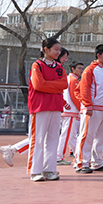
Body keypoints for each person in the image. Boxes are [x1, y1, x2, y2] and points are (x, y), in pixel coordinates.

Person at [25, 38, 68, 181]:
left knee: (53, 139)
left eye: (59, 49)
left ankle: (49, 169)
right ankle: (35, 171)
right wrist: (55, 86)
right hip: (40, 106)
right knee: (38, 139)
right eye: (56, 49)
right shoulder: (37, 65)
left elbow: (64, 84)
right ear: (46, 49)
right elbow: (38, 85)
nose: (58, 52)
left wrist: (47, 84)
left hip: (56, 106)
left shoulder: (59, 67)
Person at [75, 44, 103, 174]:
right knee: (87, 135)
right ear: (98, 55)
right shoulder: (90, 70)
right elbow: (83, 89)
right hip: (94, 108)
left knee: (102, 137)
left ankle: (97, 162)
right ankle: (82, 163)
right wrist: (87, 105)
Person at [57, 59, 83, 165]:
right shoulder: (74, 80)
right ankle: (59, 157)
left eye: (82, 68)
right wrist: (81, 109)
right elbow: (75, 96)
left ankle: (79, 155)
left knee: (71, 136)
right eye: (79, 68)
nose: (81, 70)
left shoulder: (67, 78)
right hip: (71, 111)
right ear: (73, 69)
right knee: (66, 135)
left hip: (67, 110)